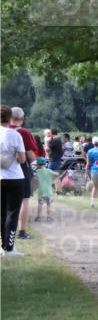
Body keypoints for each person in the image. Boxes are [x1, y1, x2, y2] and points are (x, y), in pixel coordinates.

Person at [1, 105, 27, 256]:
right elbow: (22, 159)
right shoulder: (15, 135)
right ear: (10, 118)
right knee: (12, 212)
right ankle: (9, 248)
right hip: (14, 177)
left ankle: (2, 245)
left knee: (1, 212)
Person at [10, 108, 38, 240]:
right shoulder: (24, 133)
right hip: (21, 169)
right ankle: (22, 231)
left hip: (3, 170)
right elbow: (31, 156)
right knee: (24, 200)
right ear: (22, 118)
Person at [33, 157, 55, 222]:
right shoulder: (49, 171)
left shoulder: (37, 172)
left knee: (40, 204)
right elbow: (56, 174)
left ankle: (38, 217)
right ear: (45, 164)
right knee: (49, 205)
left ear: (38, 165)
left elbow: (35, 180)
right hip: (49, 192)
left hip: (41, 192)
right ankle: (49, 217)